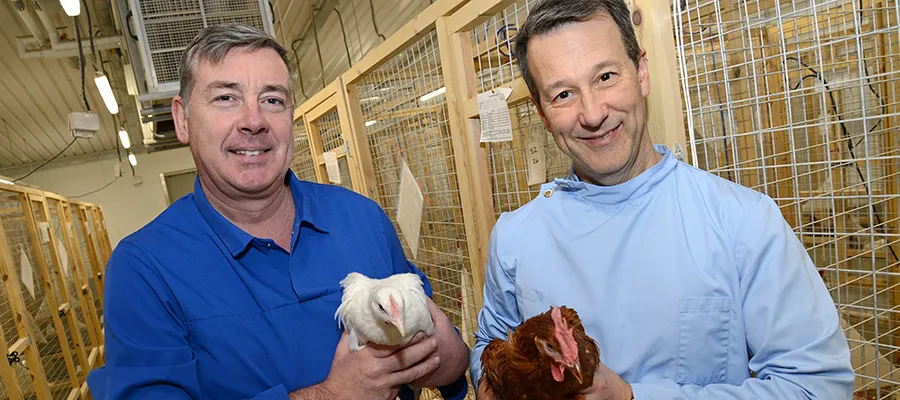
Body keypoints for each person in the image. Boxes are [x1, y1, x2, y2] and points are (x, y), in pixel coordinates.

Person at [470, 0, 855, 399]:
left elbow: (818, 387)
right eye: (564, 94)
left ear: (642, 72)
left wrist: (632, 397)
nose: (593, 112)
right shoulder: (514, 238)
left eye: (605, 76)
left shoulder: (741, 221)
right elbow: (490, 347)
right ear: (543, 113)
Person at [85, 23, 469, 399]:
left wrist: (443, 356)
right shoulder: (144, 268)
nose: (254, 121)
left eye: (272, 100)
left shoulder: (362, 218)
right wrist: (332, 394)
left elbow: (448, 360)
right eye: (226, 98)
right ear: (182, 119)